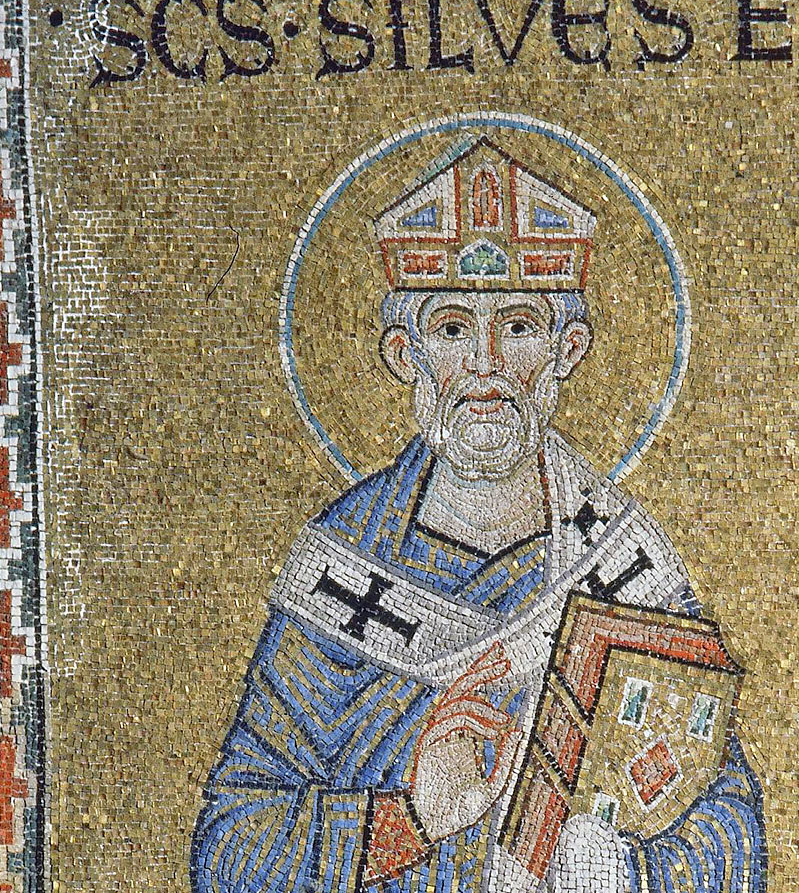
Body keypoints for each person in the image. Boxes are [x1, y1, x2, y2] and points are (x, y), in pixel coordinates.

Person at [190, 139, 766, 893]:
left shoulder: (623, 564)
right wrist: (411, 820)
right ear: (406, 354)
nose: (487, 364)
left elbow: (725, 819)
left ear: (566, 350)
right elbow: (230, 849)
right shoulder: (345, 570)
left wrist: (607, 865)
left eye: (519, 326)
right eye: (454, 328)